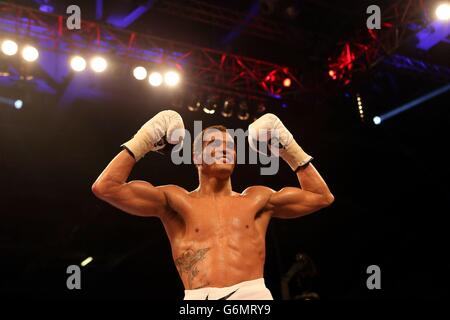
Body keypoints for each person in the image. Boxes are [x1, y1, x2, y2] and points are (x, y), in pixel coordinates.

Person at [92, 110, 334, 300]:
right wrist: (144, 138)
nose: (224, 150)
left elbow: (321, 196)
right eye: (213, 145)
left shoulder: (257, 199)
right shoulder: (175, 200)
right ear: (196, 156)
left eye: (230, 146)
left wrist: (288, 148)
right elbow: (106, 187)